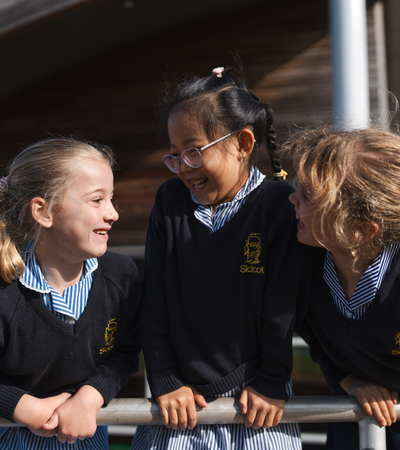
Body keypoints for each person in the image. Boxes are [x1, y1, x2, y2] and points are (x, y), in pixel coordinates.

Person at [131, 63, 312, 450]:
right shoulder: (170, 202)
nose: (183, 168)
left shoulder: (278, 204)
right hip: (178, 404)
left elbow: (281, 306)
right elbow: (155, 296)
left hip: (257, 400)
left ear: (244, 144)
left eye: (194, 152)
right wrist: (163, 377)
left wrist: (271, 380)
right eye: (175, 155)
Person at [0, 137, 142, 449]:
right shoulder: (5, 289)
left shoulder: (121, 277)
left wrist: (89, 399)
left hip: (86, 439)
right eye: (96, 200)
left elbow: (125, 352)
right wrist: (24, 407)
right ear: (43, 211)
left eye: (112, 199)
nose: (113, 213)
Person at [287, 126, 400, 449]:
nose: (292, 198)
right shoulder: (302, 262)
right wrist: (348, 380)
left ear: (361, 229)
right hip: (352, 421)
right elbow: (310, 328)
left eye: (308, 196)